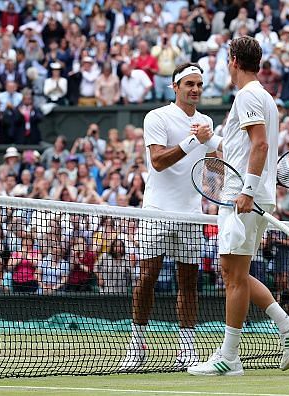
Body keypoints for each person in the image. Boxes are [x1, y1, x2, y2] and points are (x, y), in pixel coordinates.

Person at [188, 37, 289, 377]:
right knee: (234, 273)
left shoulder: (249, 95)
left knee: (233, 276)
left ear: (233, 61)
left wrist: (247, 190)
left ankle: (229, 358)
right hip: (245, 194)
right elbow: (239, 148)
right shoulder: (260, 97)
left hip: (242, 197)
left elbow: (260, 144)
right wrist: (209, 140)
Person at [121, 63, 214, 371]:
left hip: (192, 215)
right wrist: (194, 141)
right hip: (157, 211)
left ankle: (186, 351)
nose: (195, 89)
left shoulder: (206, 123)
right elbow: (158, 161)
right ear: (175, 87)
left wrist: (214, 146)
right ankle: (137, 348)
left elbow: (215, 166)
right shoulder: (157, 117)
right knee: (146, 278)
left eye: (199, 84)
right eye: (189, 84)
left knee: (188, 283)